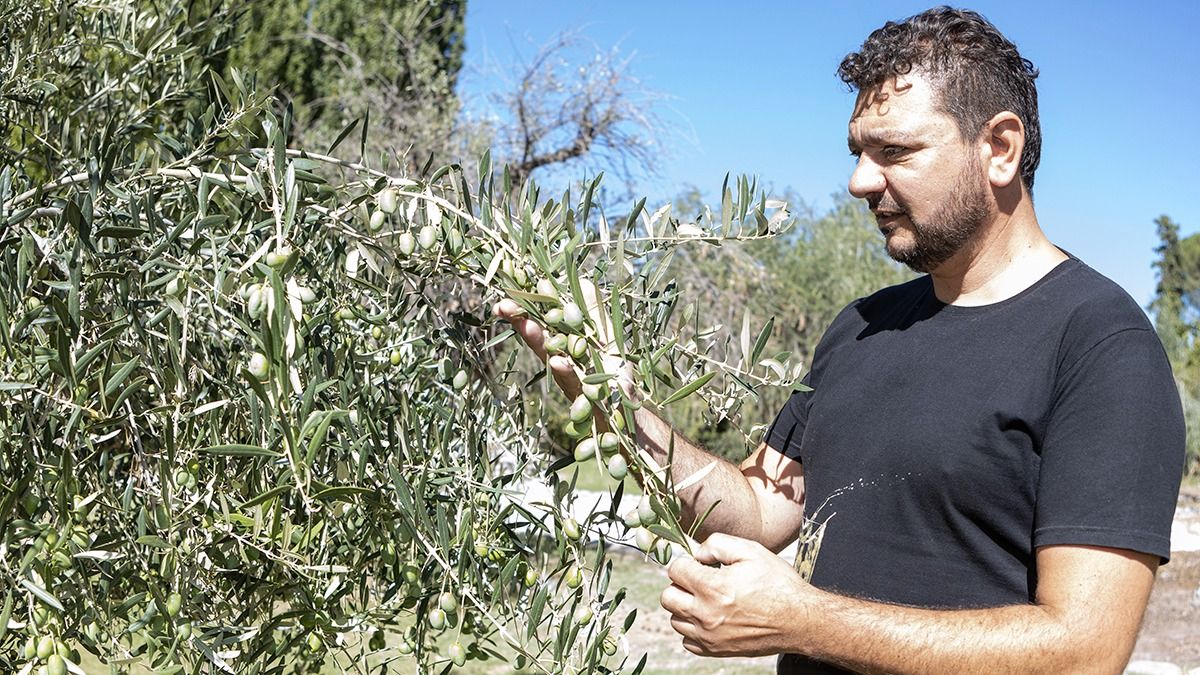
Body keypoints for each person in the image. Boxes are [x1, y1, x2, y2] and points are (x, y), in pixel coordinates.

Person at [496, 6, 1185, 673]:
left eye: (895, 152)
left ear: (999, 149)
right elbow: (763, 509)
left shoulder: (1102, 345)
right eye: (859, 152)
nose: (860, 181)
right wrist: (613, 401)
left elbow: (1085, 651)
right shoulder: (861, 325)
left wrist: (802, 620)